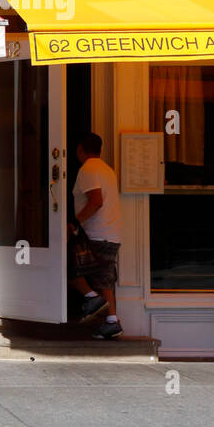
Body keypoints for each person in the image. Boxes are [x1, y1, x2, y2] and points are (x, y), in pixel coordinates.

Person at [68, 132, 123, 339]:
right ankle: (112, 321)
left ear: (80, 149)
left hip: (97, 233)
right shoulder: (106, 169)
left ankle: (91, 298)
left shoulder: (88, 169)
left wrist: (74, 222)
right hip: (111, 233)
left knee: (68, 267)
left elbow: (96, 200)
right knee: (105, 279)